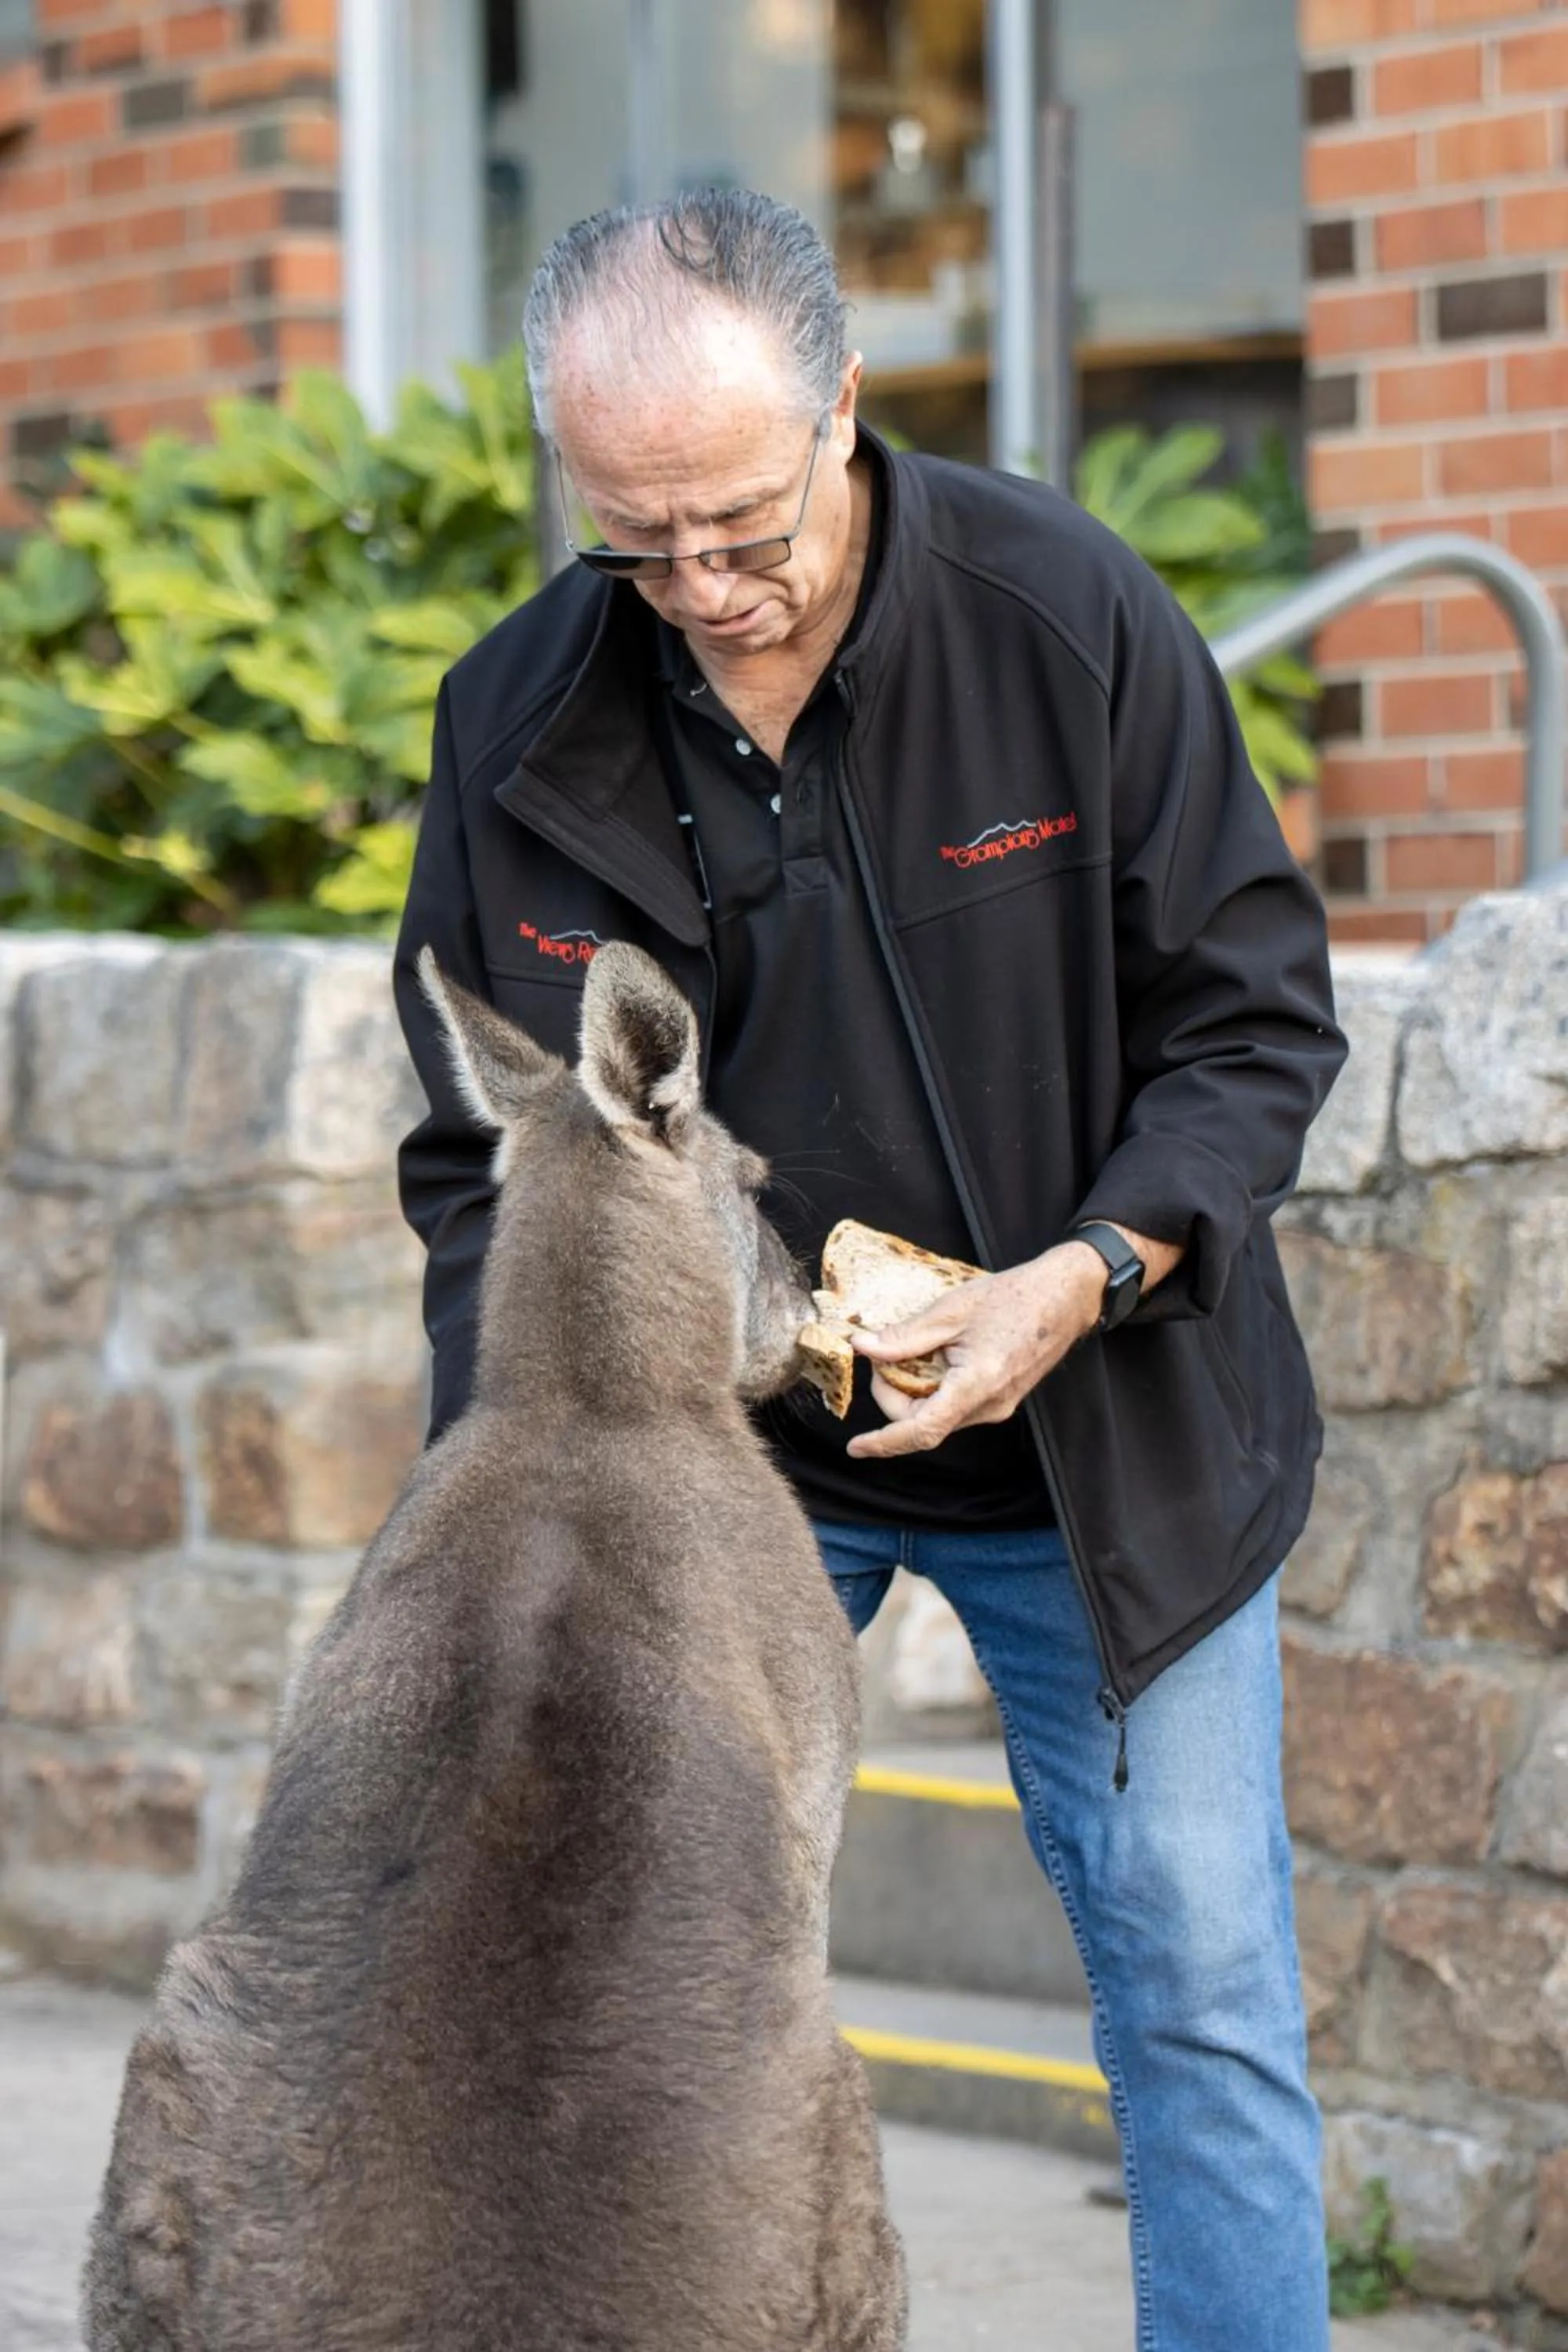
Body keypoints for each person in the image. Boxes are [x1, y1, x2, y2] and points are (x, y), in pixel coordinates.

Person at [392, 188, 1348, 2350]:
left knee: (1199, 1990)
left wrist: (1080, 1272)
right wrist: (525, 1466)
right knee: (627, 1982)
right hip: (728, 1470)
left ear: (844, 412)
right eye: (640, 545)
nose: (707, 594)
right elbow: (482, 1156)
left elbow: (1254, 1023)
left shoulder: (1067, 617)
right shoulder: (519, 718)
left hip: (1112, 1425)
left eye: (744, 523)